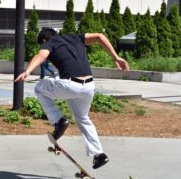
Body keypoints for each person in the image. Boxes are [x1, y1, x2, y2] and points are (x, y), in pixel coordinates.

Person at [15, 28, 129, 169]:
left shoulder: (50, 42)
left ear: (44, 40)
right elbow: (100, 36)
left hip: (70, 85)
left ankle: (59, 121)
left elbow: (41, 55)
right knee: (82, 117)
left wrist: (28, 71)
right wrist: (116, 58)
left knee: (39, 88)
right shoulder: (75, 37)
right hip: (88, 86)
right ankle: (99, 155)